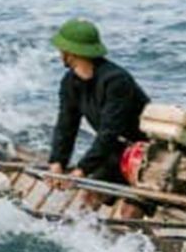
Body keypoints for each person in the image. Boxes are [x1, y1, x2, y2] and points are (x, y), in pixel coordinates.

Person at [47, 18, 149, 212]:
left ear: (71, 53)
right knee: (87, 200)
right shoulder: (70, 82)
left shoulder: (116, 80)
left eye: (62, 49)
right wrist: (57, 162)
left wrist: (82, 169)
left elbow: (109, 132)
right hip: (115, 151)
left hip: (144, 154)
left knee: (130, 212)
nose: (59, 53)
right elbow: (66, 125)